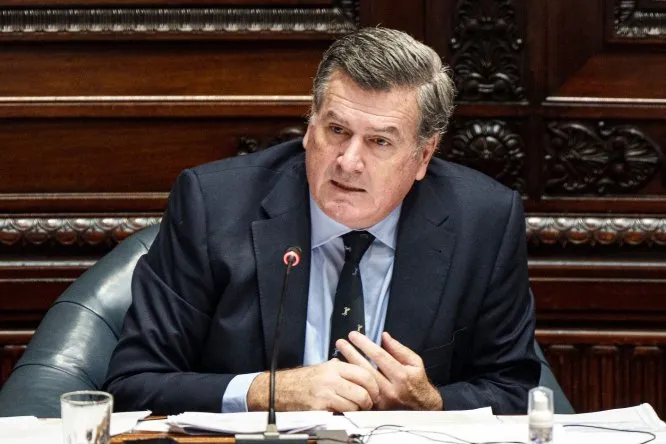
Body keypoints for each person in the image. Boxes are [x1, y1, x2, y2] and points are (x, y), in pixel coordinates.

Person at [104, 27, 540, 415]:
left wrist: (432, 403)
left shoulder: (483, 220)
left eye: (379, 142)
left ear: (423, 156)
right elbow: (133, 382)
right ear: (311, 126)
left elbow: (515, 390)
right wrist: (265, 392)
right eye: (337, 131)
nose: (348, 162)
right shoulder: (213, 206)